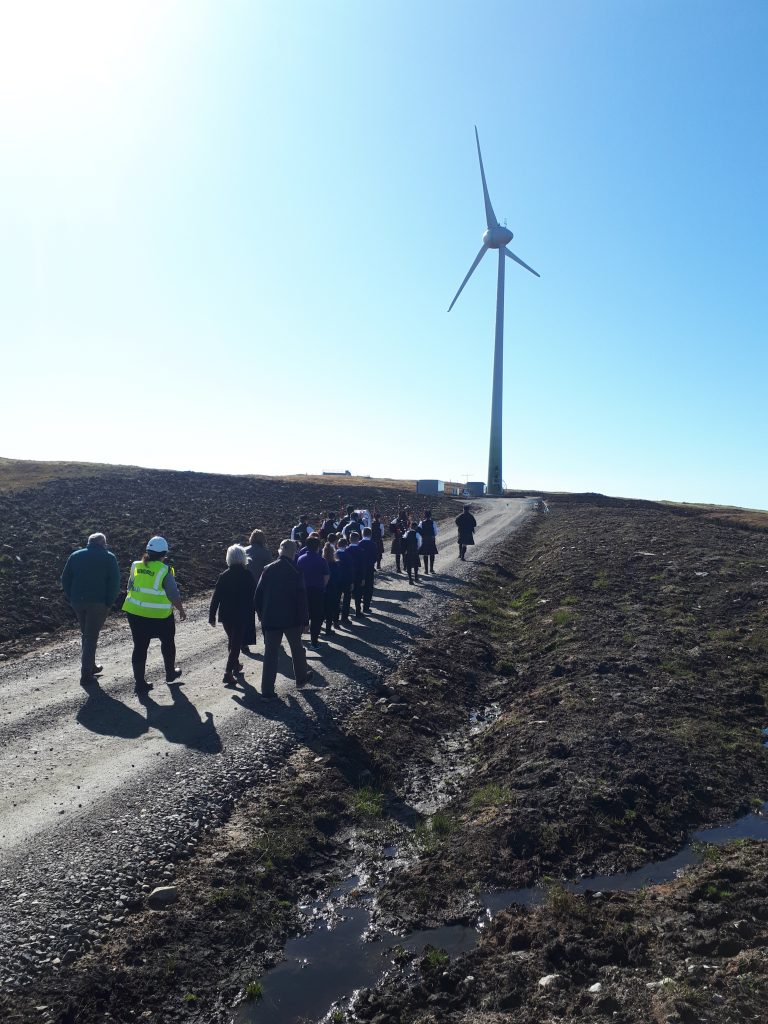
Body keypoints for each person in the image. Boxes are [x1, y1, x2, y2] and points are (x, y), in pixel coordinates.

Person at [122, 536, 186, 694]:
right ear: (164, 553)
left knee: (140, 646)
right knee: (168, 643)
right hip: (160, 616)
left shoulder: (135, 566)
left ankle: (139, 683)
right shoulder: (165, 570)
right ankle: (170, 674)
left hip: (135, 613)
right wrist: (181, 610)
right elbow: (173, 594)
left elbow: (130, 586)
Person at [254, 539, 314, 697]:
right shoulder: (296, 570)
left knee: (271, 655)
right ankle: (301, 678)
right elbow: (302, 598)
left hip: (271, 619)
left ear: (280, 550)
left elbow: (257, 595)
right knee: (297, 649)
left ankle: (267, 691)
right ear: (294, 552)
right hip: (292, 619)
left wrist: (261, 615)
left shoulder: (267, 569)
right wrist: (305, 620)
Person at [60, 532, 120, 686]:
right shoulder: (109, 557)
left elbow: (65, 578)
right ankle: (86, 674)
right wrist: (109, 602)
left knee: (86, 634)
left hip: (78, 602)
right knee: (91, 637)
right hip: (98, 603)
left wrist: (71, 596)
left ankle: (91, 666)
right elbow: (114, 583)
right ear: (102, 543)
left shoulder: (76, 555)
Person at [208, 545, 257, 686]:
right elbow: (255, 595)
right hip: (241, 615)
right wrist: (259, 611)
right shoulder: (247, 575)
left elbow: (215, 597)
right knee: (236, 644)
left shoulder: (224, 575)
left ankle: (235, 666)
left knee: (232, 641)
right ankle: (227, 672)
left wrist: (212, 616)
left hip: (226, 615)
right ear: (243, 558)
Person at [242, 529, 272, 654]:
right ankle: (268, 640)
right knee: (265, 616)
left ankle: (244, 643)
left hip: (246, 588)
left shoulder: (243, 551)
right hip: (261, 589)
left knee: (247, 617)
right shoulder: (266, 553)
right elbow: (270, 572)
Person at [297, 535, 329, 647]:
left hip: (303, 592)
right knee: (317, 617)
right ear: (318, 547)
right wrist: (321, 586)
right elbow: (326, 577)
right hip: (317, 592)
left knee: (303, 615)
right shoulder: (322, 560)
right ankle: (314, 642)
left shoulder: (300, 559)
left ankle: (298, 641)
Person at [322, 541, 343, 635]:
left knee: (324, 608)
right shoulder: (336, 564)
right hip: (334, 589)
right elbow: (338, 578)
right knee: (334, 608)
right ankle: (333, 624)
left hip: (323, 589)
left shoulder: (321, 563)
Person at [358, 527, 378, 612]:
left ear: (362, 534)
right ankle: (366, 607)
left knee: (359, 588)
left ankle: (358, 608)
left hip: (359, 569)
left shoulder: (358, 544)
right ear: (370, 534)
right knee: (369, 588)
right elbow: (375, 557)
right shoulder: (373, 544)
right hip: (369, 568)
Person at [335, 536, 355, 626]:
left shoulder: (334, 554)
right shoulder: (348, 555)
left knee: (337, 600)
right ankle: (344, 617)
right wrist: (351, 582)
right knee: (346, 600)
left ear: (337, 545)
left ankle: (335, 620)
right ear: (346, 545)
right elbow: (351, 570)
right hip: (346, 580)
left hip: (337, 581)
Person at [346, 531, 366, 617]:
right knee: (358, 594)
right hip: (358, 575)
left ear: (349, 539)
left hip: (347, 576)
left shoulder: (346, 550)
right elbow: (363, 566)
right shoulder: (361, 551)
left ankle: (346, 613)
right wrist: (363, 578)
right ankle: (358, 611)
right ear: (358, 539)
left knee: (347, 595)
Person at [418, 511, 439, 575]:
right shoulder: (433, 522)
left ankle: (426, 570)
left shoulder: (421, 523)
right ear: (430, 516)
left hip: (424, 540)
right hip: (431, 539)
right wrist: (432, 536)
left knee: (425, 554)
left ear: (425, 516)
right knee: (432, 554)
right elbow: (436, 532)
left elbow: (419, 531)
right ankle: (431, 569)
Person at [402, 520, 422, 584]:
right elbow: (419, 544)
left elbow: (404, 542)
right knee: (416, 565)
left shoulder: (407, 533)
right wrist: (417, 549)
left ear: (411, 527)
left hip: (408, 551)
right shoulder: (417, 534)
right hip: (415, 551)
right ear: (415, 527)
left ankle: (410, 579)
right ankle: (416, 578)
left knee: (409, 566)